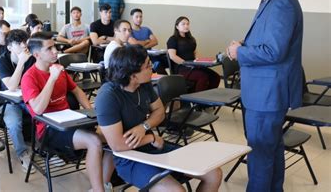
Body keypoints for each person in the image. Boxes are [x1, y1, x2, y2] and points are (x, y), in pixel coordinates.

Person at [227, 0, 303, 192]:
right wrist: (245, 45)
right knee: (271, 151)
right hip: (266, 91)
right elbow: (270, 44)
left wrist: (240, 53)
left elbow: (273, 52)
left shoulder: (282, 2)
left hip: (266, 94)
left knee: (259, 155)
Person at [95, 45, 222, 192]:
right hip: (129, 158)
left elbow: (159, 111)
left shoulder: (144, 85)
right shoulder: (108, 96)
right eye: (148, 66)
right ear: (132, 75)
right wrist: (151, 138)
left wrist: (144, 127)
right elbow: (118, 145)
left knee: (214, 173)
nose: (153, 69)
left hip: (153, 148)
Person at [21, 32, 114, 192]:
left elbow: (77, 91)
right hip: (48, 130)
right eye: (49, 49)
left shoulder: (59, 70)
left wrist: (92, 114)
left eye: (55, 47)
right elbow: (37, 109)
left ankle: (102, 184)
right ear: (37, 54)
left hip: (69, 122)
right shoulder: (29, 77)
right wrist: (52, 79)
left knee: (114, 137)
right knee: (94, 142)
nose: (56, 51)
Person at [0, 29, 36, 173]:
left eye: (25, 42)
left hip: (27, 98)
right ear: (10, 47)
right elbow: (12, 86)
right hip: (8, 102)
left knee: (44, 115)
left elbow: (34, 83)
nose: (24, 46)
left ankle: (47, 150)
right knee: (14, 123)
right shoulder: (2, 60)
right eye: (18, 43)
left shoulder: (32, 58)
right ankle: (23, 153)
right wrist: (21, 63)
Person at [166, 16, 220, 92]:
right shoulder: (173, 39)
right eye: (183, 24)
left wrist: (200, 62)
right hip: (182, 68)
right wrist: (186, 63)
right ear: (177, 26)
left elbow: (195, 53)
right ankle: (197, 100)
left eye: (188, 24)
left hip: (193, 66)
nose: (186, 26)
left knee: (215, 77)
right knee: (203, 76)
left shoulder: (191, 39)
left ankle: (207, 97)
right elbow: (172, 56)